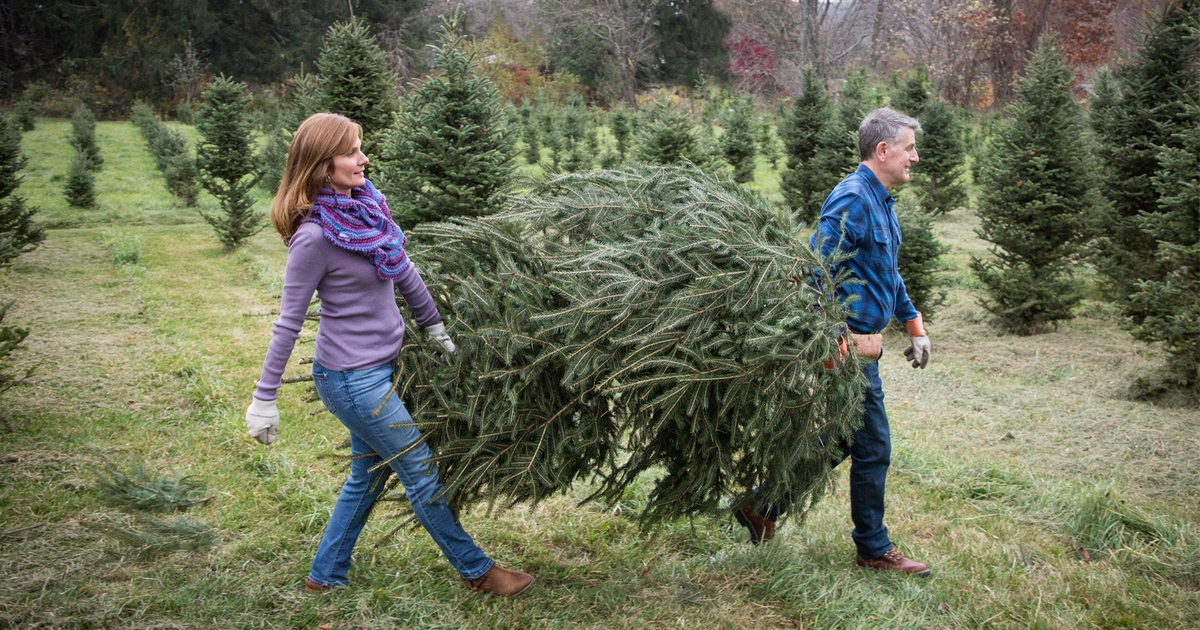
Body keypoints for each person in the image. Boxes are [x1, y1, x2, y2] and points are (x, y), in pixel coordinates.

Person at [243, 112, 535, 596]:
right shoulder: (315, 237)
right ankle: (478, 572)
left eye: (361, 147)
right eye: (352, 151)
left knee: (368, 475)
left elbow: (404, 270)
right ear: (321, 164)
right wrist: (263, 398)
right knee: (419, 471)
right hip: (351, 380)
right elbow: (289, 322)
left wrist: (434, 326)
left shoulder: (368, 210)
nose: (363, 158)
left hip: (380, 367)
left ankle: (324, 576)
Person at [735, 107, 932, 577]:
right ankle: (872, 548)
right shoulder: (851, 199)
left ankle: (762, 504)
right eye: (909, 148)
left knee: (847, 437)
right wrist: (829, 339)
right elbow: (815, 269)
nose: (916, 158)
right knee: (874, 444)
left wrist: (914, 324)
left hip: (866, 344)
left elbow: (887, 272)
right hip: (848, 349)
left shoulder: (881, 201)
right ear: (882, 151)